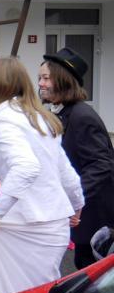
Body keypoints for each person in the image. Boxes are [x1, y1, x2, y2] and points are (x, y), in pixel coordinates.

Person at [0, 57, 84, 293]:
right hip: (53, 226)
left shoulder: (2, 119)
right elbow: (64, 171)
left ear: (2, 85)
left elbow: (26, 167)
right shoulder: (39, 117)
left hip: (28, 227)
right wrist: (76, 204)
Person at [39, 47, 114, 269]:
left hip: (95, 217)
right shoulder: (62, 113)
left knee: (92, 272)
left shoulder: (82, 116)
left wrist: (73, 198)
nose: (41, 83)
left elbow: (101, 165)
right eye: (40, 78)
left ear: (63, 80)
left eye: (46, 78)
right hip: (83, 215)